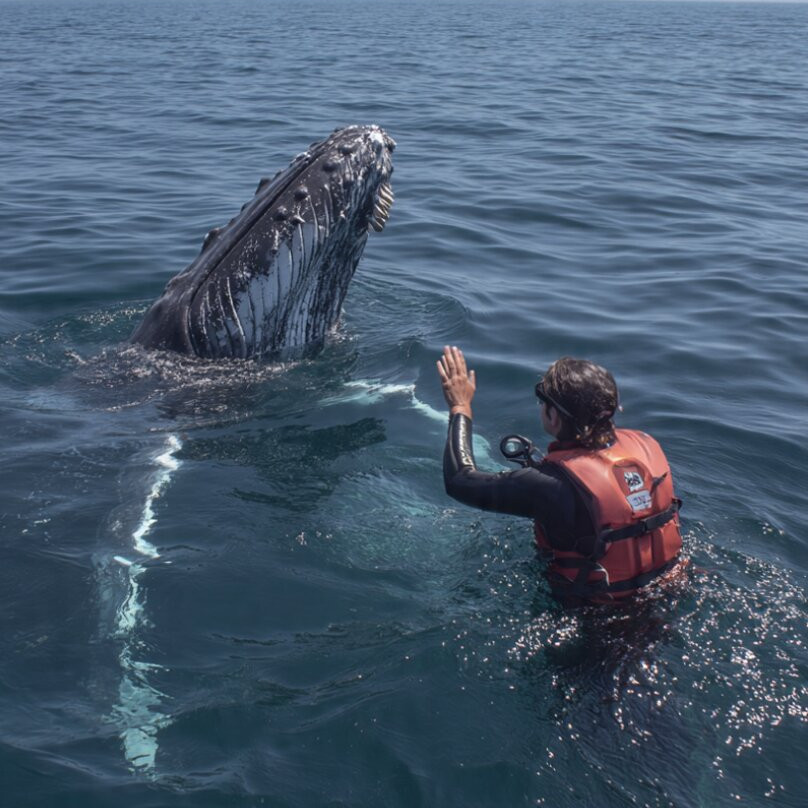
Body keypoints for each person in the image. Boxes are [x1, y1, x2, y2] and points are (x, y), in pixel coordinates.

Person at [436, 346, 682, 605]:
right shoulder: (646, 444)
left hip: (599, 620)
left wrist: (460, 406)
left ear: (553, 415)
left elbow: (459, 480)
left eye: (543, 403)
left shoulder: (549, 485)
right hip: (668, 595)